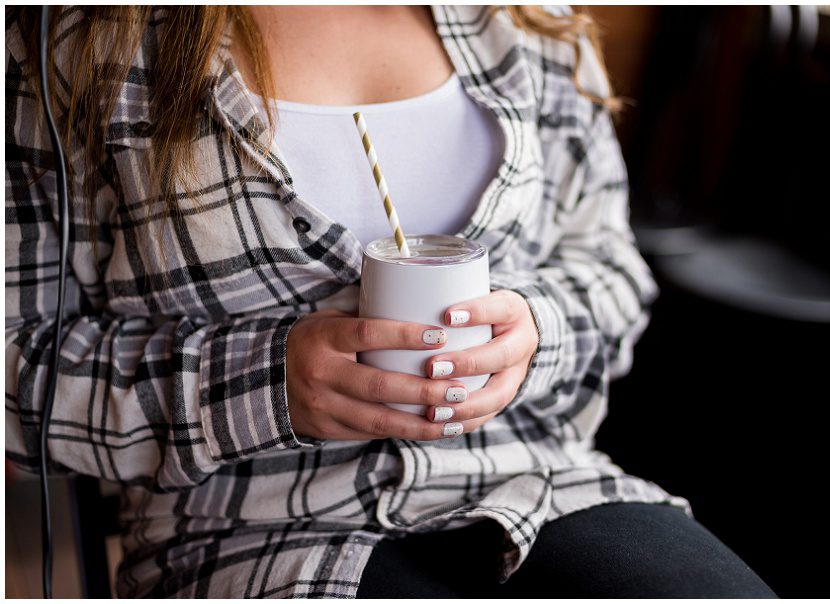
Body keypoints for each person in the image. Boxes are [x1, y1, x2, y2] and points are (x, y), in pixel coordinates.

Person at [5, 6, 777, 598]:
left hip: (542, 485)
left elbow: (612, 272)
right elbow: (14, 369)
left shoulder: (530, 25)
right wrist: (259, 385)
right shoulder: (72, 47)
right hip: (248, 538)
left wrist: (534, 332)